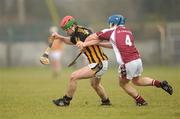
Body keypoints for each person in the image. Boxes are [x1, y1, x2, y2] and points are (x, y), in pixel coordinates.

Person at [77, 14, 173, 106]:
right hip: (137, 60)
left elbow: (92, 36)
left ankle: (141, 101)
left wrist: (83, 44)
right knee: (137, 81)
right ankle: (160, 83)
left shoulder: (112, 31)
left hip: (127, 63)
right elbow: (115, 46)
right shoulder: (128, 32)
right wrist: (99, 44)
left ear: (113, 23)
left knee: (123, 84)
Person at [50, 15, 111, 106]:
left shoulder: (83, 32)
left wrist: (84, 44)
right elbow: (70, 41)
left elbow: (94, 39)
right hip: (99, 63)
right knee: (95, 85)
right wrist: (60, 37)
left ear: (72, 26)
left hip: (99, 63)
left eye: (67, 29)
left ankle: (65, 101)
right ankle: (106, 102)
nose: (66, 32)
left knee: (73, 76)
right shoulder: (76, 33)